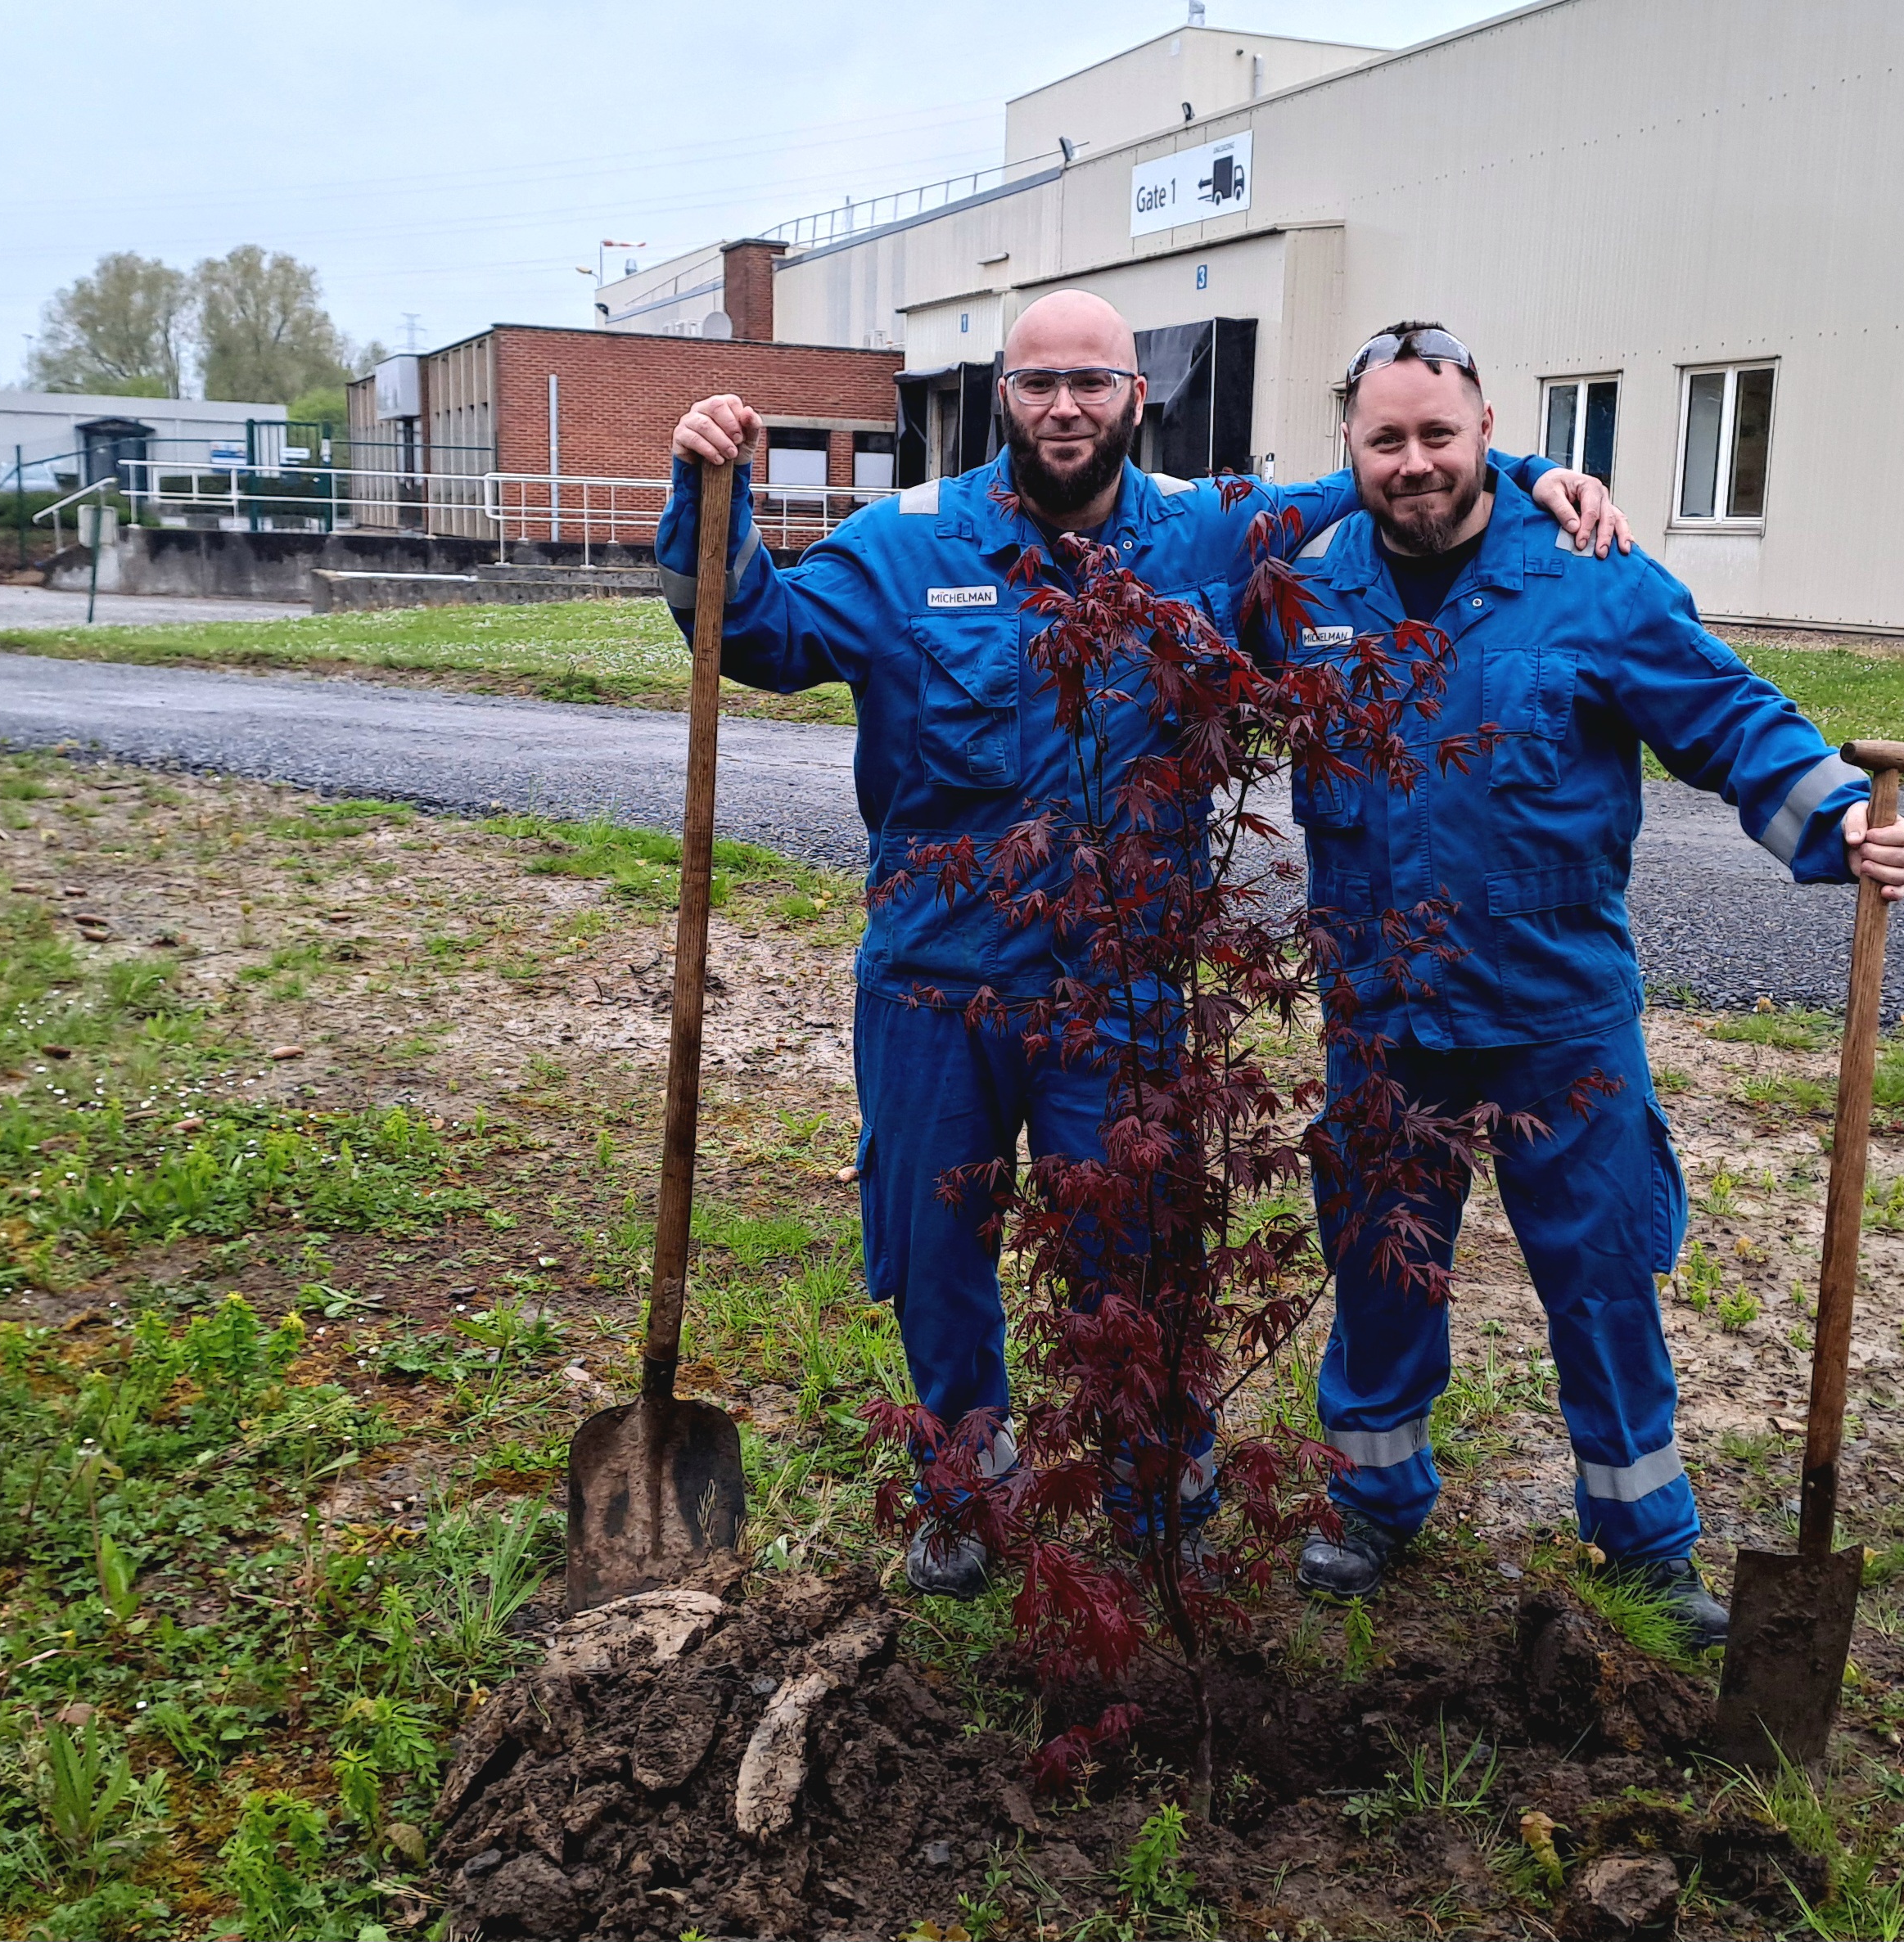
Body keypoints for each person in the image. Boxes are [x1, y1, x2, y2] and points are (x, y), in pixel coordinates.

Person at [658, 291, 1634, 1597]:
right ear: (998, 396)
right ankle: (964, 1479)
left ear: (1137, 396)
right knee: (934, 1251)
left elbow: (1383, 478)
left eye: (1094, 383)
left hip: (1115, 993)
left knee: (1133, 1244)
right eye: (1038, 383)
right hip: (933, 989)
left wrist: (1529, 473)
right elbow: (755, 636)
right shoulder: (905, 544)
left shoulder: (1206, 533)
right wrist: (697, 485)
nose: (1066, 407)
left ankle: (1151, 1471)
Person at [1270, 322, 1904, 1640]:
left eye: (1438, 435)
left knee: (1604, 1271)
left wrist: (1840, 820)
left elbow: (1726, 714)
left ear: (1485, 431)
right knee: (1381, 1263)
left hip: (1553, 1008)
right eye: (1384, 438)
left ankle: (1644, 1539)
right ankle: (1374, 1502)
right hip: (1383, 1016)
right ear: (1347, 446)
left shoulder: (1587, 573)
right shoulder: (1301, 588)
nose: (1414, 462)